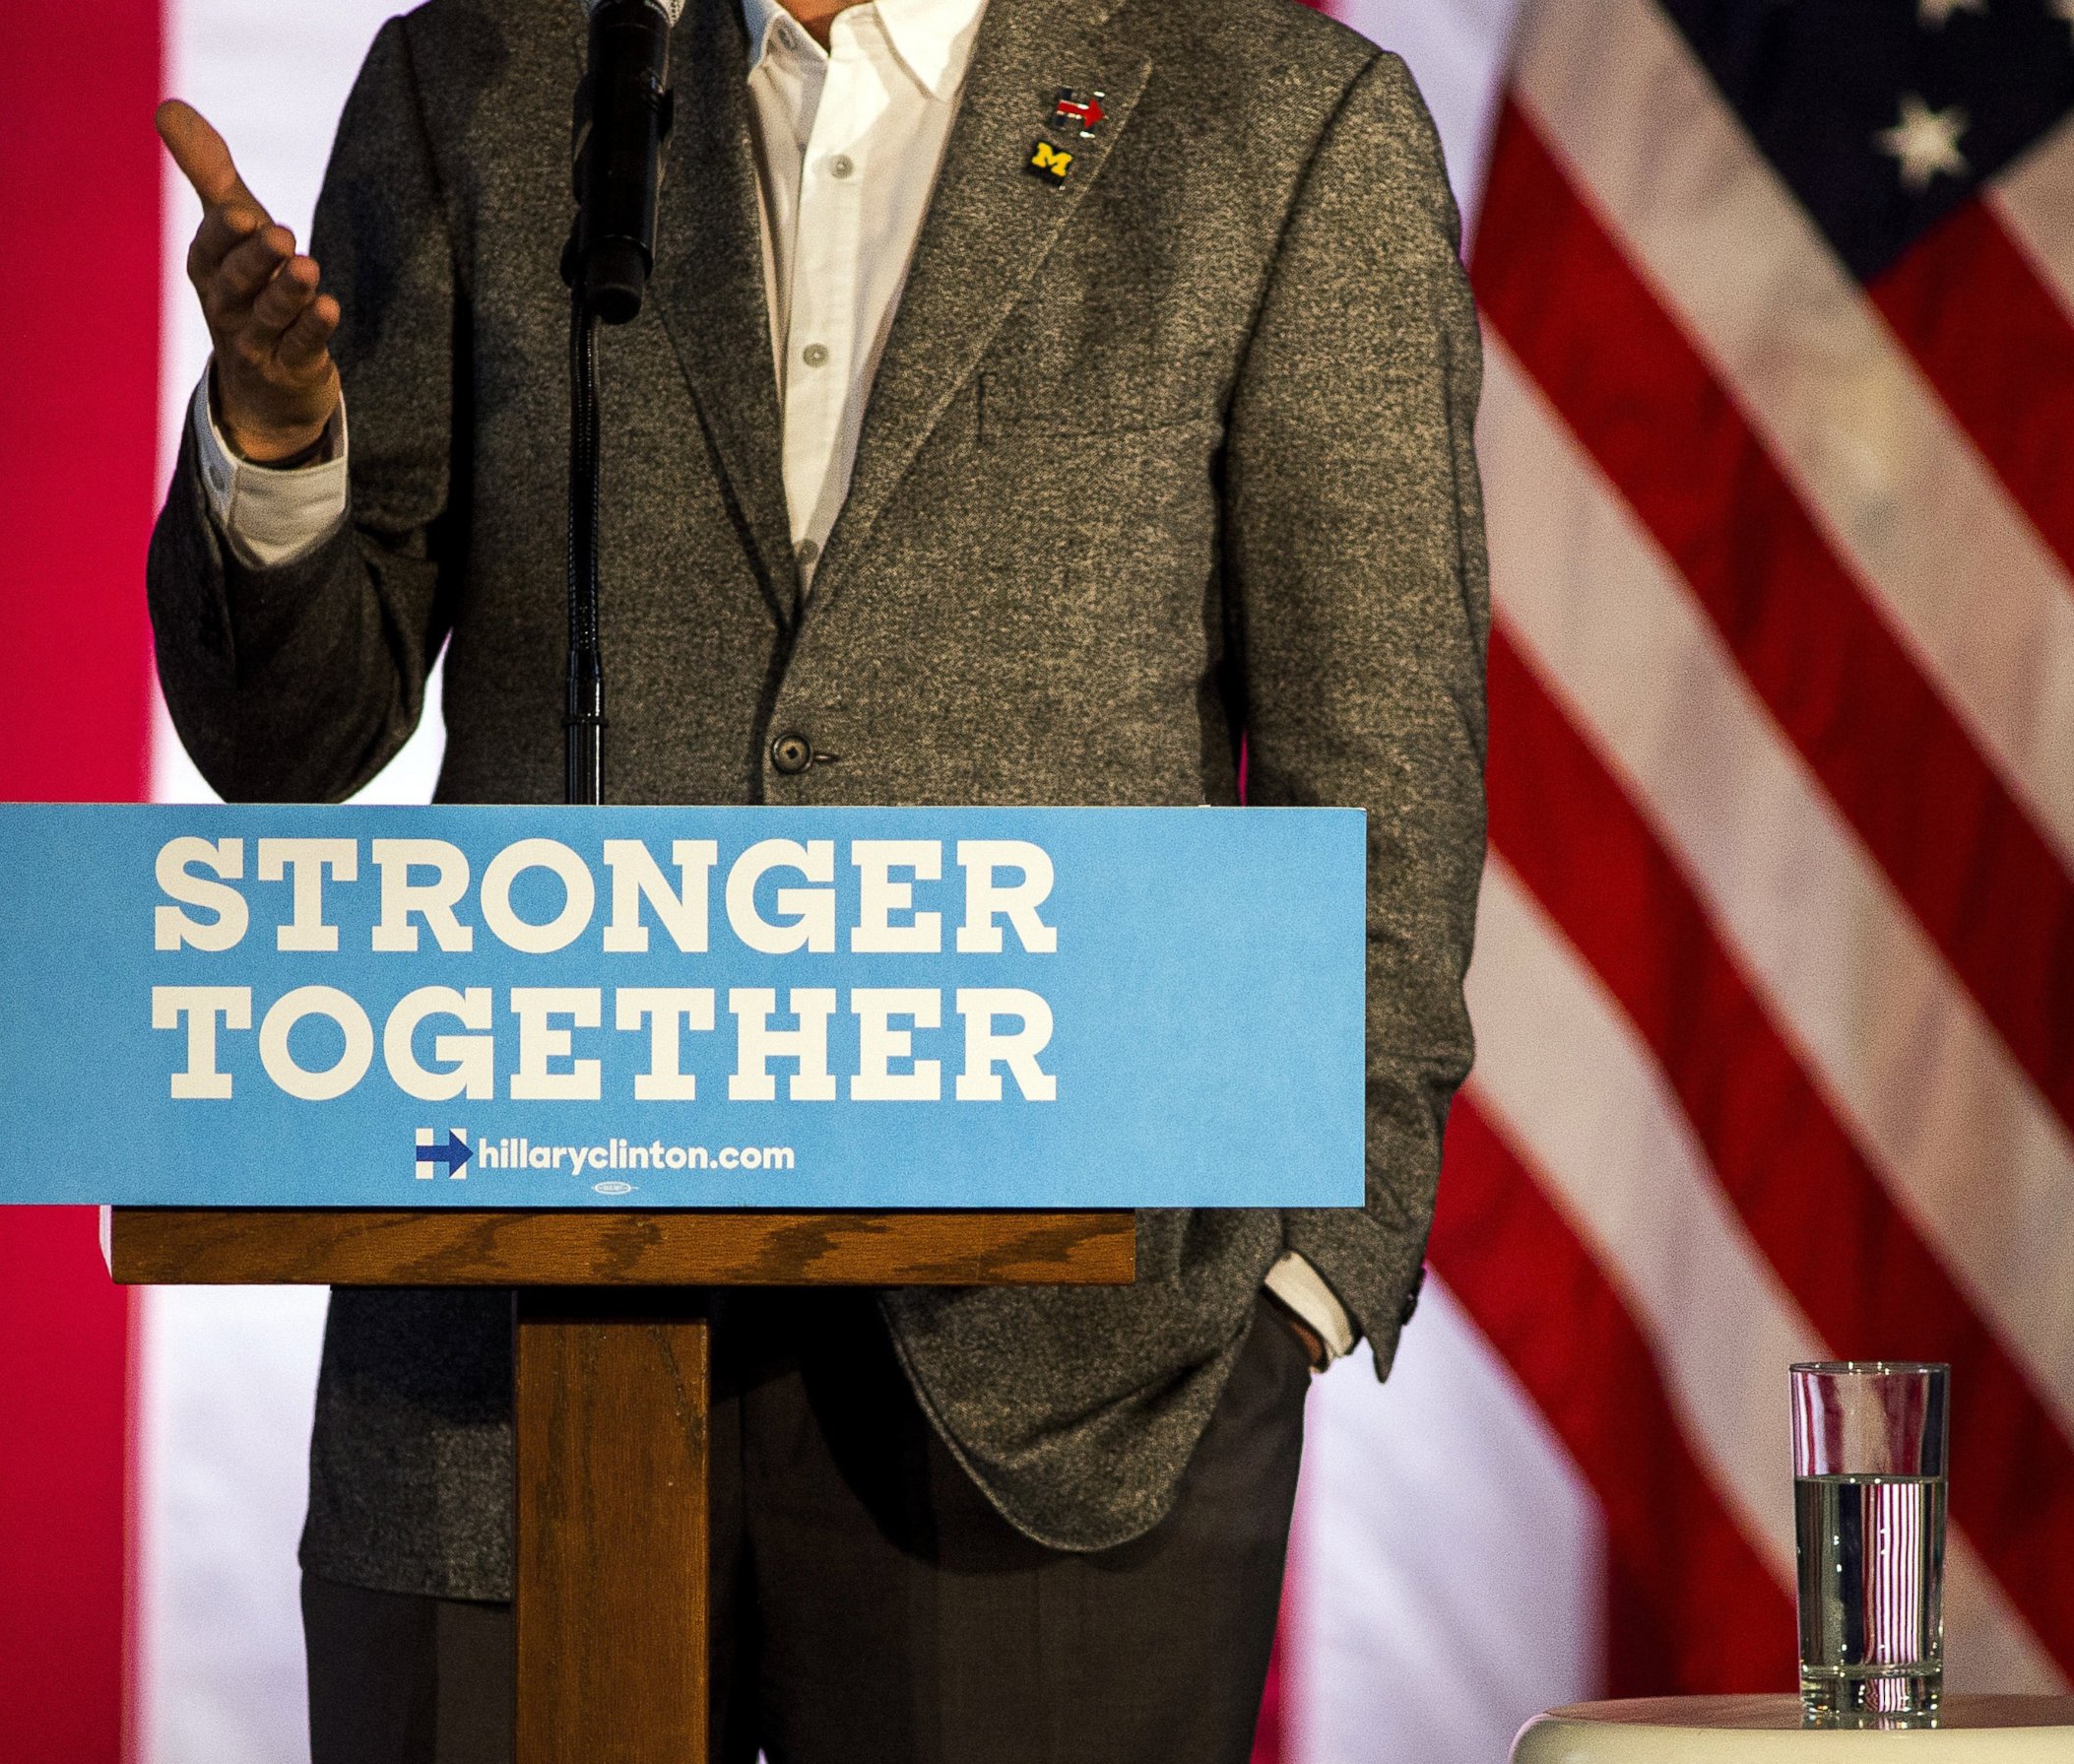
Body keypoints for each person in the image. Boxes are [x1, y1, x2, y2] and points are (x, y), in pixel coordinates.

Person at [145, 0, 1485, 1749]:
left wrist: (1309, 1279)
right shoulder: (483, 76)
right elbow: (292, 737)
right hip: (518, 1350)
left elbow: (1381, 748)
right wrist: (276, 437)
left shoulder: (1280, 119)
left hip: (1072, 1375)